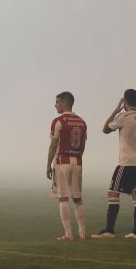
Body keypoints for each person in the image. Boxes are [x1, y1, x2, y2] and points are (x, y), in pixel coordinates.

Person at [92, 89, 136, 239]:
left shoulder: (124, 117)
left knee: (113, 193)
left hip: (127, 163)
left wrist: (116, 109)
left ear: (124, 100)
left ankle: (109, 230)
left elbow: (105, 129)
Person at [46, 91, 88, 241]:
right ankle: (82, 232)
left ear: (64, 103)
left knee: (63, 198)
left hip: (62, 161)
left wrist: (48, 165)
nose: (55, 105)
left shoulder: (58, 121)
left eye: (57, 102)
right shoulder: (82, 122)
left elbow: (53, 146)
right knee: (78, 198)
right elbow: (84, 144)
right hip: (77, 162)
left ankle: (68, 234)